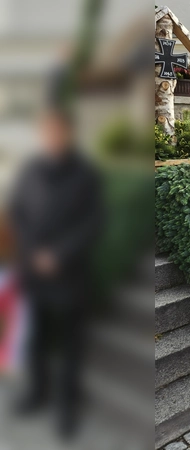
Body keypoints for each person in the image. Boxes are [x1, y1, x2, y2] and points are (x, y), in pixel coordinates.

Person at [10, 105, 103, 438]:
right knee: (36, 338)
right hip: (34, 271)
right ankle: (38, 393)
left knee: (71, 345)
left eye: (56, 130)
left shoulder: (85, 173)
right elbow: (18, 212)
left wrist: (58, 254)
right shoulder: (32, 169)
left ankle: (69, 408)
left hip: (70, 274)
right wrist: (32, 252)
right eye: (45, 131)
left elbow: (92, 222)